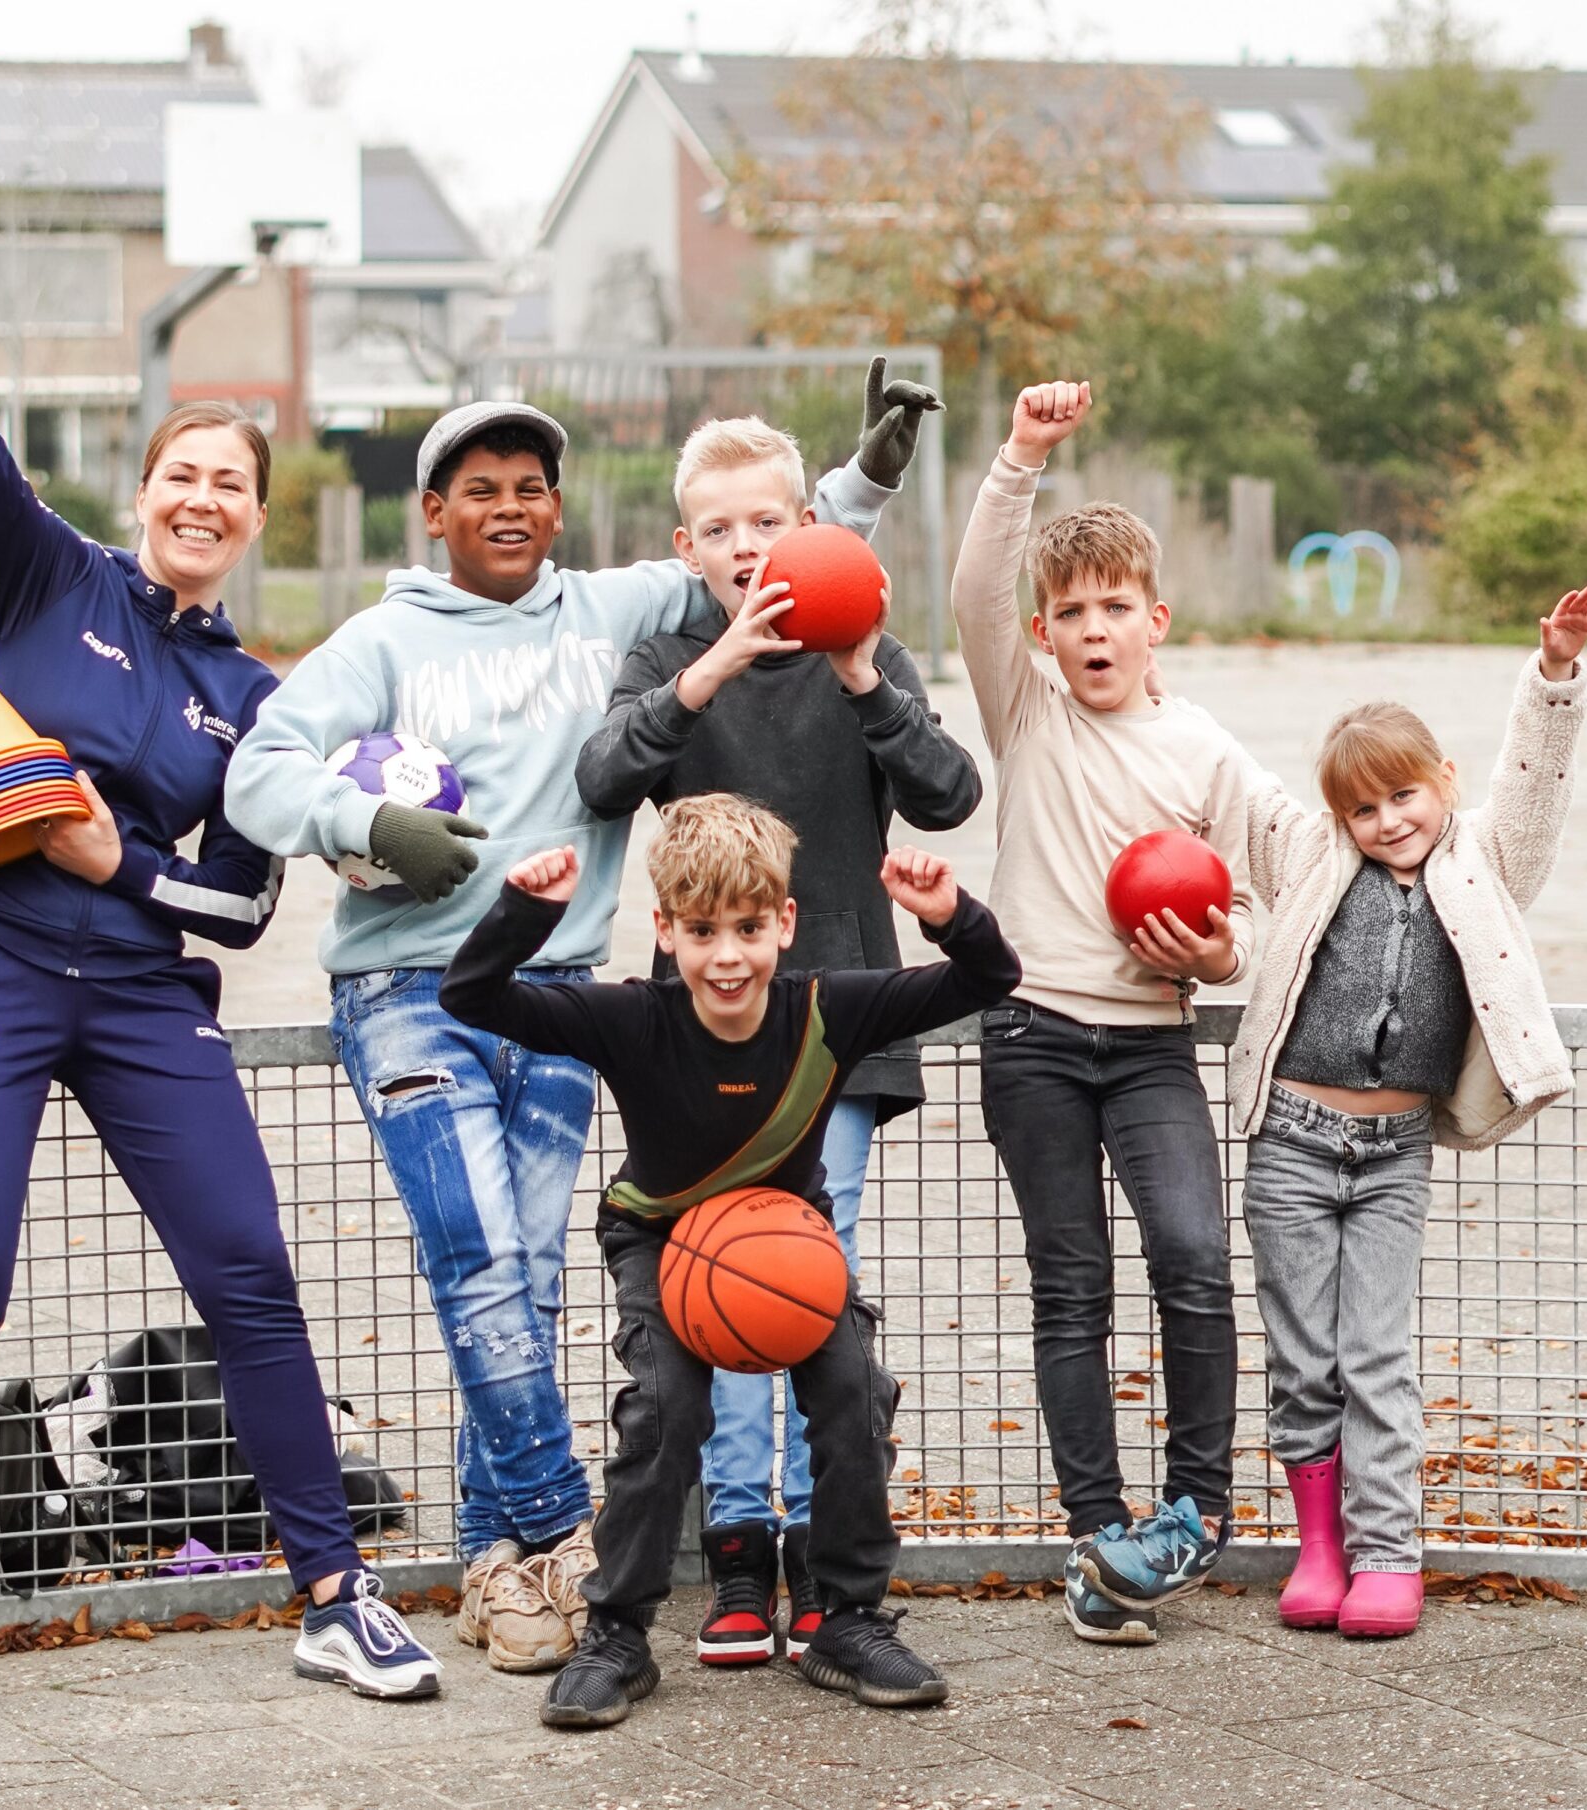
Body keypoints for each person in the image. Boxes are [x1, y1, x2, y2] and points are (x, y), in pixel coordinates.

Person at [0, 157, 438, 1740]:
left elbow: (242, 905)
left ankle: (333, 1592)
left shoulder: (261, 703)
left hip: (148, 995)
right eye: (184, 474)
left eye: (232, 483)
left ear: (256, 518)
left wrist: (121, 862)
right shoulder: (50, 577)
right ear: (146, 489)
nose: (203, 499)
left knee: (250, 1273)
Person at [223, 368, 938, 1674]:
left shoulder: (613, 609)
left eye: (530, 488)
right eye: (478, 490)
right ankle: (561, 1528)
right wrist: (367, 821)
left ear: (557, 509)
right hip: (411, 989)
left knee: (528, 1281)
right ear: (434, 511)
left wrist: (870, 476)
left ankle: (493, 1560)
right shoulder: (381, 643)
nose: (508, 507)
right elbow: (257, 771)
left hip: (553, 990)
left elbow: (777, 553)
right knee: (481, 1268)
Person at [437, 795, 1021, 1728]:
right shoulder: (633, 1018)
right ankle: (618, 1635)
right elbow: (470, 997)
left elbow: (991, 975)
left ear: (784, 922)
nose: (727, 957)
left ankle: (846, 1618)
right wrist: (523, 913)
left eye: (748, 928)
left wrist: (948, 913)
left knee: (855, 1391)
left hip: (787, 1243)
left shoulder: (827, 1008)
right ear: (665, 930)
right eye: (702, 931)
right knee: (666, 1409)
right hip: (661, 1238)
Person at [573, 413, 978, 1667]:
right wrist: (707, 673)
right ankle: (738, 1549)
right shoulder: (667, 657)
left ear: (806, 526)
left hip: (833, 1021)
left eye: (768, 520)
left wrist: (859, 676)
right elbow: (601, 775)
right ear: (686, 546)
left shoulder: (863, 649)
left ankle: (821, 1561)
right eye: (721, 528)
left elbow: (948, 792)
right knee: (720, 1275)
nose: (746, 544)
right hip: (700, 1031)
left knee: (801, 1271)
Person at [948, 380, 1263, 1645]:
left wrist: (1223, 949)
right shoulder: (1024, 711)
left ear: (1155, 620)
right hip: (1030, 1038)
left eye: (1114, 607)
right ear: (1043, 632)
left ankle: (1194, 1509)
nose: (1092, 628)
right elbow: (975, 590)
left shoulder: (1207, 754)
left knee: (1192, 1258)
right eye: (1069, 611)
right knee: (1069, 1285)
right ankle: (1097, 1533)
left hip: (1148, 1049)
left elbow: (1260, 902)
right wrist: (1021, 456)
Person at [1233, 586, 1587, 1640]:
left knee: (1375, 1356)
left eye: (1403, 795)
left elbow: (1531, 790)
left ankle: (1388, 1552)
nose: (1388, 820)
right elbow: (1222, 785)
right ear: (1338, 819)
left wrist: (1553, 677)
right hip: (1292, 1146)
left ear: (1442, 780)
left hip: (1394, 1154)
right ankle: (1319, 1549)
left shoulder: (1486, 862)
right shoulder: (1311, 858)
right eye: (1363, 809)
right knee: (1303, 1359)